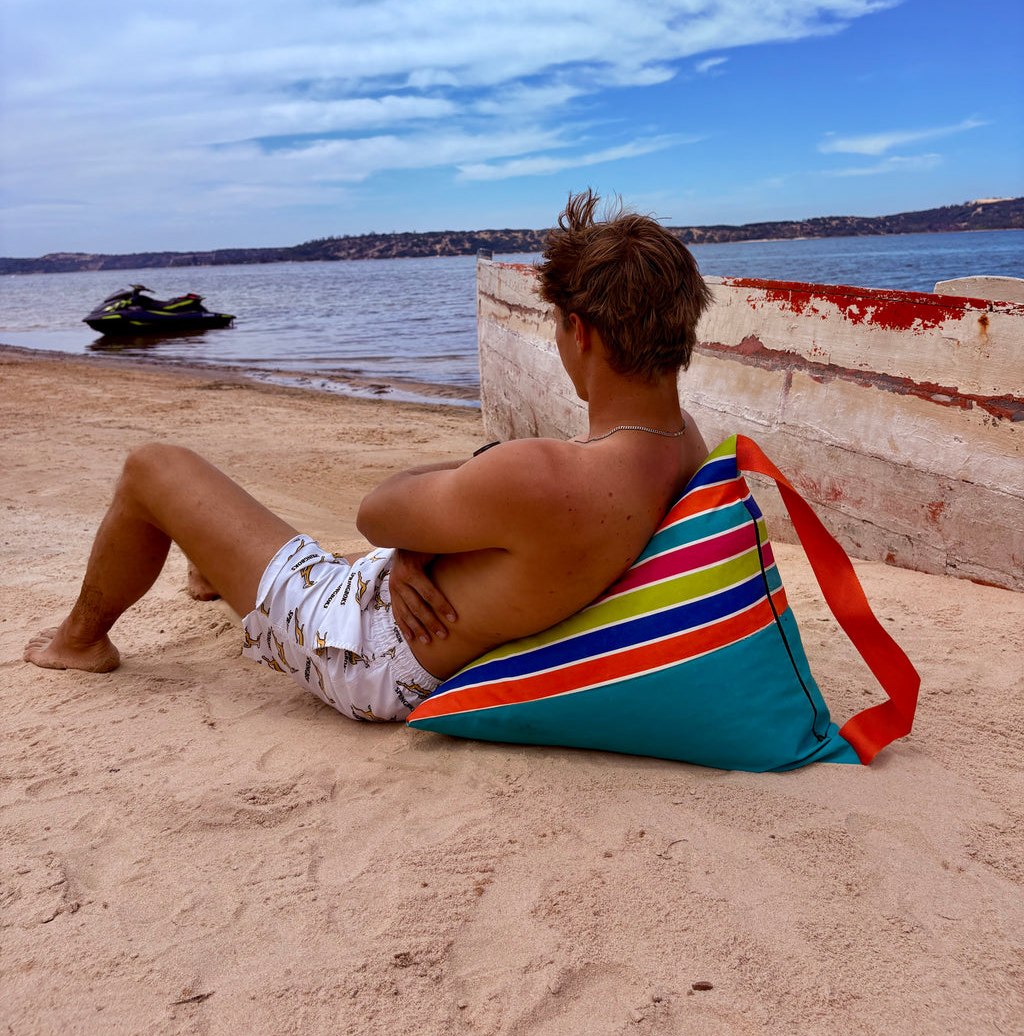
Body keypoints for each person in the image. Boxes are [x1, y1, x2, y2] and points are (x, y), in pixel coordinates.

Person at [24, 190, 713, 722]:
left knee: (153, 465)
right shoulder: (684, 445)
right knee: (304, 541)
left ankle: (81, 640)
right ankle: (209, 568)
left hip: (363, 651)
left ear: (580, 332)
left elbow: (377, 511)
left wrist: (417, 535)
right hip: (427, 628)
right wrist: (428, 546)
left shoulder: (544, 475)